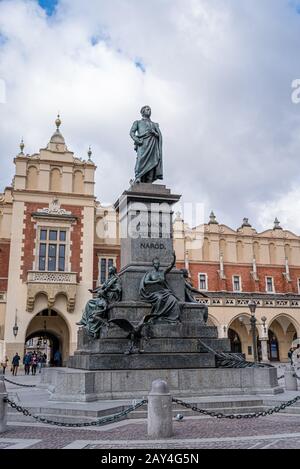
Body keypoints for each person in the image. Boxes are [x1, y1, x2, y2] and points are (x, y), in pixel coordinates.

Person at [77, 266, 122, 339]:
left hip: (108, 298)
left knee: (96, 309)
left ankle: (94, 327)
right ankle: (84, 320)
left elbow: (118, 289)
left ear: (113, 271)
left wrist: (110, 290)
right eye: (109, 269)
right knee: (89, 302)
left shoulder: (116, 279)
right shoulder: (108, 280)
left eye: (110, 270)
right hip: (102, 297)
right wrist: (93, 291)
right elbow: (102, 287)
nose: (109, 271)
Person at [139, 252, 181, 322]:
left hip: (164, 291)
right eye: (155, 263)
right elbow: (146, 282)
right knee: (160, 298)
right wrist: (156, 281)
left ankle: (171, 317)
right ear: (153, 264)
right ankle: (156, 315)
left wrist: (174, 257)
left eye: (158, 263)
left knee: (174, 300)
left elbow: (171, 266)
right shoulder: (150, 273)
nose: (157, 265)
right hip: (154, 292)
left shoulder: (162, 272)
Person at [130, 105, 163, 184]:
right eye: (147, 109)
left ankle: (149, 180)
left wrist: (154, 133)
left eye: (150, 110)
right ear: (142, 112)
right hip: (143, 144)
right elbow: (131, 132)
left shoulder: (155, 124)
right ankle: (138, 177)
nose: (149, 111)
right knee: (140, 160)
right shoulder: (137, 122)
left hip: (153, 144)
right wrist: (137, 140)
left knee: (153, 161)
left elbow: (159, 136)